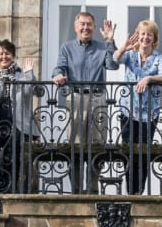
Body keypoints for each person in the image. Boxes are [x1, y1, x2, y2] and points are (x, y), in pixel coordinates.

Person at [50, 11, 122, 191]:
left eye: (89, 24)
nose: (85, 27)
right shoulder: (67, 47)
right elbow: (59, 67)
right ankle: (75, 190)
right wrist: (57, 75)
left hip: (98, 98)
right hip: (75, 98)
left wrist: (110, 42)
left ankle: (93, 188)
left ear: (94, 27)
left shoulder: (101, 46)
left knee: (97, 145)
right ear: (76, 27)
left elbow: (112, 65)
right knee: (75, 146)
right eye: (82, 24)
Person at [114, 20, 162, 194]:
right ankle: (130, 191)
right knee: (128, 152)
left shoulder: (158, 57)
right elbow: (114, 60)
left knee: (144, 153)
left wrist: (148, 79)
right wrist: (124, 47)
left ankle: (139, 192)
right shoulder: (130, 55)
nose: (145, 37)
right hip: (127, 111)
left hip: (149, 113)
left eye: (149, 34)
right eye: (143, 34)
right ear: (138, 36)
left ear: (154, 38)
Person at [0, 39, 37, 197]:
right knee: (2, 164)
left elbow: (37, 91)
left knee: (20, 165)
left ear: (13, 56)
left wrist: (29, 75)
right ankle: (2, 200)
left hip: (20, 126)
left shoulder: (21, 74)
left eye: (7, 53)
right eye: (0, 54)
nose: (4, 56)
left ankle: (20, 197)